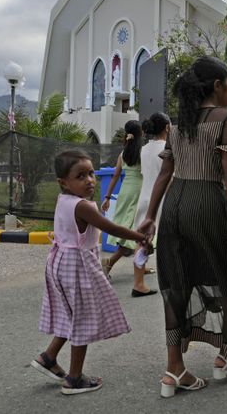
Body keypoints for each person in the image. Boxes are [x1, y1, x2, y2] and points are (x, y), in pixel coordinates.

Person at [137, 56, 227, 398]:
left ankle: (174, 369)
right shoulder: (226, 118)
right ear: (218, 87)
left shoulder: (180, 124)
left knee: (175, 282)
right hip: (206, 202)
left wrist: (150, 216)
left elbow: (165, 173)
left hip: (174, 205)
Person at [32, 150, 150, 395]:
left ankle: (48, 357)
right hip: (76, 266)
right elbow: (111, 228)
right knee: (82, 319)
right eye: (80, 176)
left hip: (60, 263)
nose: (89, 180)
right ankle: (74, 379)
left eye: (91, 174)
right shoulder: (82, 206)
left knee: (72, 315)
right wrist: (141, 237)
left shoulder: (65, 200)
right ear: (63, 182)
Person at [101, 120, 155, 297]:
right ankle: (109, 262)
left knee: (129, 230)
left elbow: (115, 176)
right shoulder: (142, 152)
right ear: (140, 133)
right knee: (136, 233)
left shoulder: (123, 153)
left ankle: (142, 266)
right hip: (139, 193)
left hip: (125, 193)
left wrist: (108, 197)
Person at [131, 112, 172, 251]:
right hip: (162, 201)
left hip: (144, 198)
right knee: (165, 243)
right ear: (167, 128)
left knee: (141, 240)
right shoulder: (168, 149)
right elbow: (169, 178)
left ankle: (139, 273)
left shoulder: (143, 149)